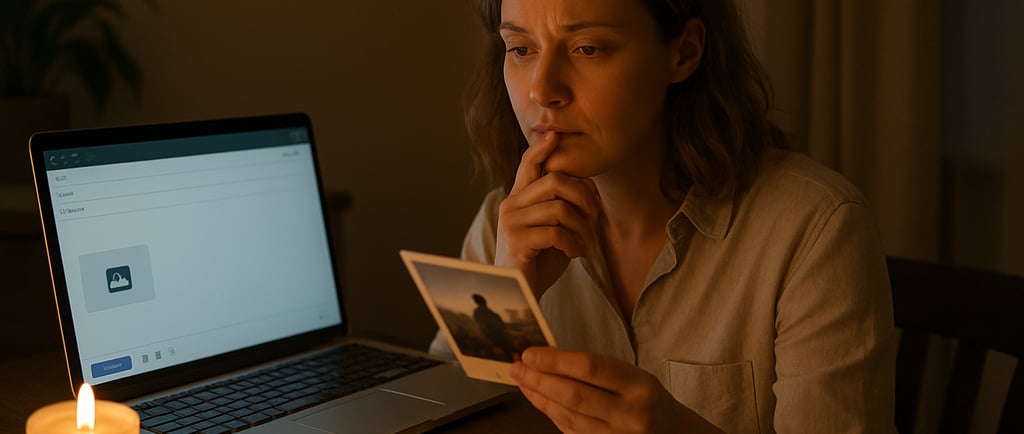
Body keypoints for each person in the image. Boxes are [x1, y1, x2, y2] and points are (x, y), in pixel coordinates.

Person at [430, 0, 897, 432]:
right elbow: (431, 414)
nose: (542, 89)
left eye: (588, 48)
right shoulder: (501, 219)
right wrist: (504, 294)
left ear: (684, 52)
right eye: (520, 49)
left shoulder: (817, 228)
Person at [471, 293, 519, 361]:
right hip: (493, 334)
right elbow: (482, 324)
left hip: (496, 333)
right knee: (506, 350)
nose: (485, 303)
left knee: (508, 350)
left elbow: (499, 322)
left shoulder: (487, 311)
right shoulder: (480, 312)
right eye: (482, 301)